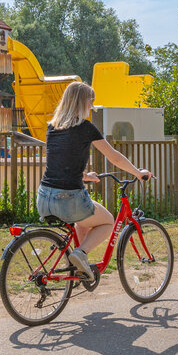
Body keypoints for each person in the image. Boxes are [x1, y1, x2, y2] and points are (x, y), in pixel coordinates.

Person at [37, 81, 153, 276]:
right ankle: (80, 253)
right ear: (82, 102)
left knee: (82, 223)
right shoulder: (85, 128)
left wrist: (85, 176)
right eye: (90, 102)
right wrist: (138, 173)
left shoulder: (52, 127)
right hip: (69, 199)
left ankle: (77, 270)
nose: (91, 106)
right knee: (107, 221)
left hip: (44, 198)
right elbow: (114, 157)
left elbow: (59, 163)